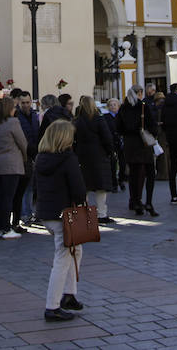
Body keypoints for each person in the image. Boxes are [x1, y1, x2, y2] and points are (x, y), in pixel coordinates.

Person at [35, 120, 88, 322]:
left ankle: (69, 294)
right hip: (64, 213)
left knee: (76, 249)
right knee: (62, 257)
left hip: (47, 212)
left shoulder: (41, 158)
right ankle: (52, 305)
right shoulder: (68, 158)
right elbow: (79, 189)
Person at [0, 96, 29, 238]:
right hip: (10, 164)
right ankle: (6, 228)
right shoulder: (13, 122)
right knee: (8, 197)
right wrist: (25, 158)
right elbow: (22, 142)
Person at [72, 96, 115, 222]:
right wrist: (110, 152)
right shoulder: (98, 120)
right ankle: (102, 213)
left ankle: (83, 213)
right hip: (98, 155)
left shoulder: (76, 121)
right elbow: (107, 138)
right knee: (100, 187)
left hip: (82, 156)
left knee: (84, 186)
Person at [117, 86, 159, 216]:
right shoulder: (142, 106)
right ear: (139, 93)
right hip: (142, 143)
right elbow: (152, 124)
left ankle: (135, 200)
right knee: (149, 173)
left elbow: (118, 127)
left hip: (129, 144)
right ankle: (148, 202)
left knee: (134, 174)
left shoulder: (123, 108)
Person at [15, 91, 41, 223]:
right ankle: (24, 213)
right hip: (22, 155)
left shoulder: (34, 115)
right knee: (24, 185)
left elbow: (36, 134)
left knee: (31, 185)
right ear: (19, 103)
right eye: (23, 103)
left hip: (33, 154)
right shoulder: (17, 116)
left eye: (27, 102)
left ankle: (28, 212)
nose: (25, 105)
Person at [103, 98, 124, 190]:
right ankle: (114, 183)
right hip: (111, 142)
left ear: (118, 106)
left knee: (123, 163)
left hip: (121, 142)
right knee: (113, 163)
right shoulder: (105, 117)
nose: (113, 106)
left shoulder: (122, 116)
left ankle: (121, 179)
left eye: (114, 105)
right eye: (111, 105)